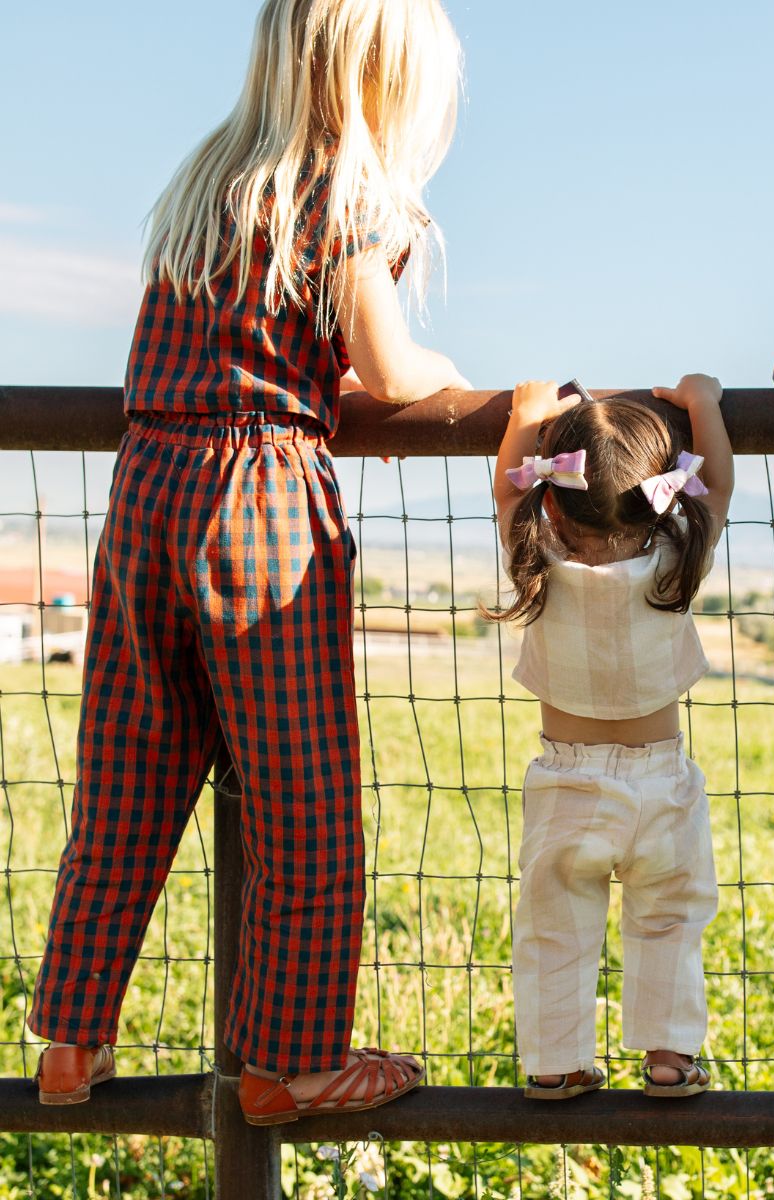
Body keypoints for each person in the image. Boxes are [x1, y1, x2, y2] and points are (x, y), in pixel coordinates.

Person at [29, 0, 470, 1125]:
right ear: (385, 78)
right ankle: (290, 1060)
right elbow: (390, 366)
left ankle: (71, 1039)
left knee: (128, 776)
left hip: (147, 490)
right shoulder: (343, 191)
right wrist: (462, 380)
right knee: (302, 799)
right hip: (261, 503)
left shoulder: (209, 181)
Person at [487, 376, 733, 1099]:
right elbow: (716, 482)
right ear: (657, 496)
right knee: (669, 921)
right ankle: (669, 1057)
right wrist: (705, 405)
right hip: (661, 779)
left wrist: (524, 418)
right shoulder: (677, 559)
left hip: (565, 781)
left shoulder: (538, 559)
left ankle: (557, 1062)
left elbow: (506, 493)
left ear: (552, 506)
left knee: (555, 929)